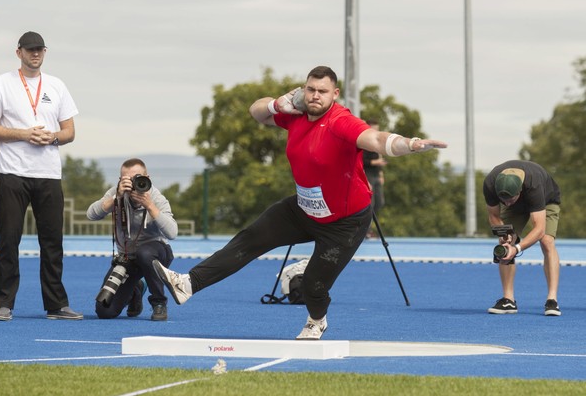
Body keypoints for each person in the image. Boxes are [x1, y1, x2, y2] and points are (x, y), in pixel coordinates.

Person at [153, 65, 447, 340]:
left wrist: (408, 144)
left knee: (313, 286)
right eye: (310, 89)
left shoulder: (341, 122)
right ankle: (188, 284)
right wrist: (276, 104)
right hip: (304, 209)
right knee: (249, 239)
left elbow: (376, 139)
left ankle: (316, 320)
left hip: (345, 222)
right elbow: (256, 113)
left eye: (322, 91)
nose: (315, 95)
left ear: (335, 94)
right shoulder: (296, 113)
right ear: (303, 90)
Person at [0, 31, 82, 321]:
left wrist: (51, 139)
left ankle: (56, 305)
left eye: (39, 50)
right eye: (29, 50)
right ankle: (4, 304)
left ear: (44, 52)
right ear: (19, 52)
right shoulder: (3, 83)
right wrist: (25, 134)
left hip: (48, 174)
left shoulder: (57, 86)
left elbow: (70, 132)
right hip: (13, 172)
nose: (35, 54)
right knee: (9, 239)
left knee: (52, 241)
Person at [87, 158, 178, 321]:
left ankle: (159, 303)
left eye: (138, 178)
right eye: (127, 180)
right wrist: (115, 199)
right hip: (127, 259)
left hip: (156, 254)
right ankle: (136, 288)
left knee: (145, 253)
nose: (134, 184)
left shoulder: (156, 197)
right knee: (104, 311)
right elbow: (91, 214)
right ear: (121, 180)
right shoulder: (116, 194)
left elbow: (172, 233)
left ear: (147, 178)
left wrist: (150, 206)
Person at [482, 160, 562, 316]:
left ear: (520, 191)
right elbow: (494, 215)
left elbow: (539, 229)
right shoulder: (490, 184)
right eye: (503, 200)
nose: (506, 203)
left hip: (547, 201)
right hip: (517, 207)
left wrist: (517, 248)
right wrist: (504, 235)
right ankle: (508, 300)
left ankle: (552, 300)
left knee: (546, 241)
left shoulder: (534, 184)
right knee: (505, 245)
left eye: (509, 199)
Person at [363, 121, 387, 216]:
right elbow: (362, 162)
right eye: (375, 129)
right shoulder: (364, 142)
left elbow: (379, 158)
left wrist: (381, 175)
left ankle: (371, 225)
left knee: (379, 202)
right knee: (370, 203)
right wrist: (375, 162)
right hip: (368, 174)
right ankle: (368, 228)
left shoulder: (376, 143)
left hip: (376, 174)